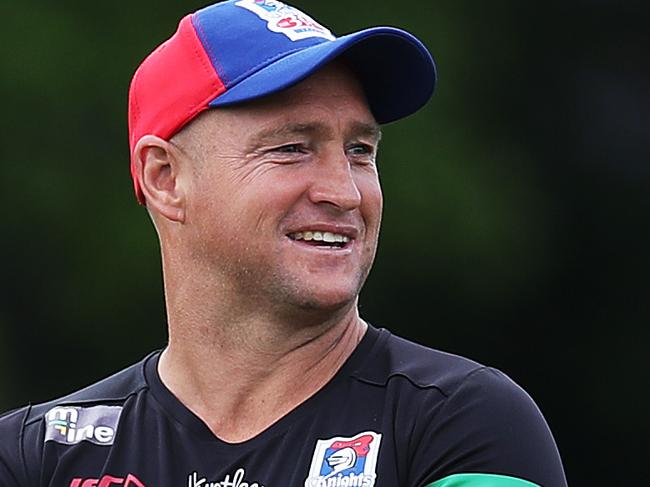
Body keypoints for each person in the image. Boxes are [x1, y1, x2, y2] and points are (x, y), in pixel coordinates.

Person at [0, 1, 567, 486]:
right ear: (165, 179)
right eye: (293, 147)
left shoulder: (462, 422)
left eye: (360, 151)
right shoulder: (34, 456)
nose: (345, 192)